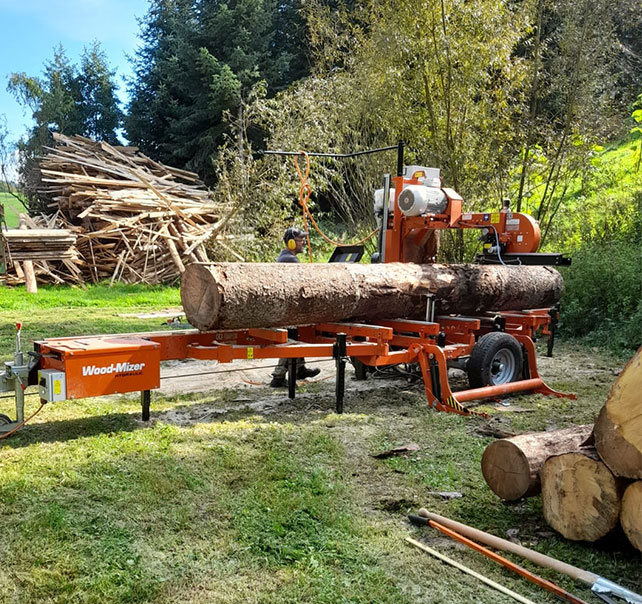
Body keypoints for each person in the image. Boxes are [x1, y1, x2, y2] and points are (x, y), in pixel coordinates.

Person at [270, 227, 321, 387]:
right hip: (287, 310)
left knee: (294, 335)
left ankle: (300, 369)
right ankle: (278, 378)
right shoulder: (290, 260)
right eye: (300, 240)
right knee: (290, 340)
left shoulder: (285, 257)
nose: (304, 242)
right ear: (291, 243)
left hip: (287, 308)